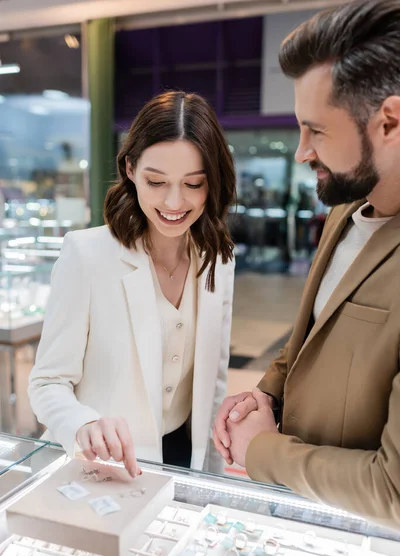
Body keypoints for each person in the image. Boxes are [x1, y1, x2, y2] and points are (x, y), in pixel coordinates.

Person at [214, 0, 400, 529]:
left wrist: (261, 451)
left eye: (315, 131)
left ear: (389, 121)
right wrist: (266, 390)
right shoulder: (345, 209)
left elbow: (394, 491)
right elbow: (315, 339)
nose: (301, 152)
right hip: (297, 520)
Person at [29, 90, 236, 477]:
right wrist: (83, 424)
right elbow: (47, 383)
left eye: (194, 184)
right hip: (104, 464)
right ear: (129, 169)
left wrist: (210, 473)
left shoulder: (218, 258)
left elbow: (214, 378)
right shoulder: (87, 255)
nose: (174, 202)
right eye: (156, 181)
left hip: (185, 458)